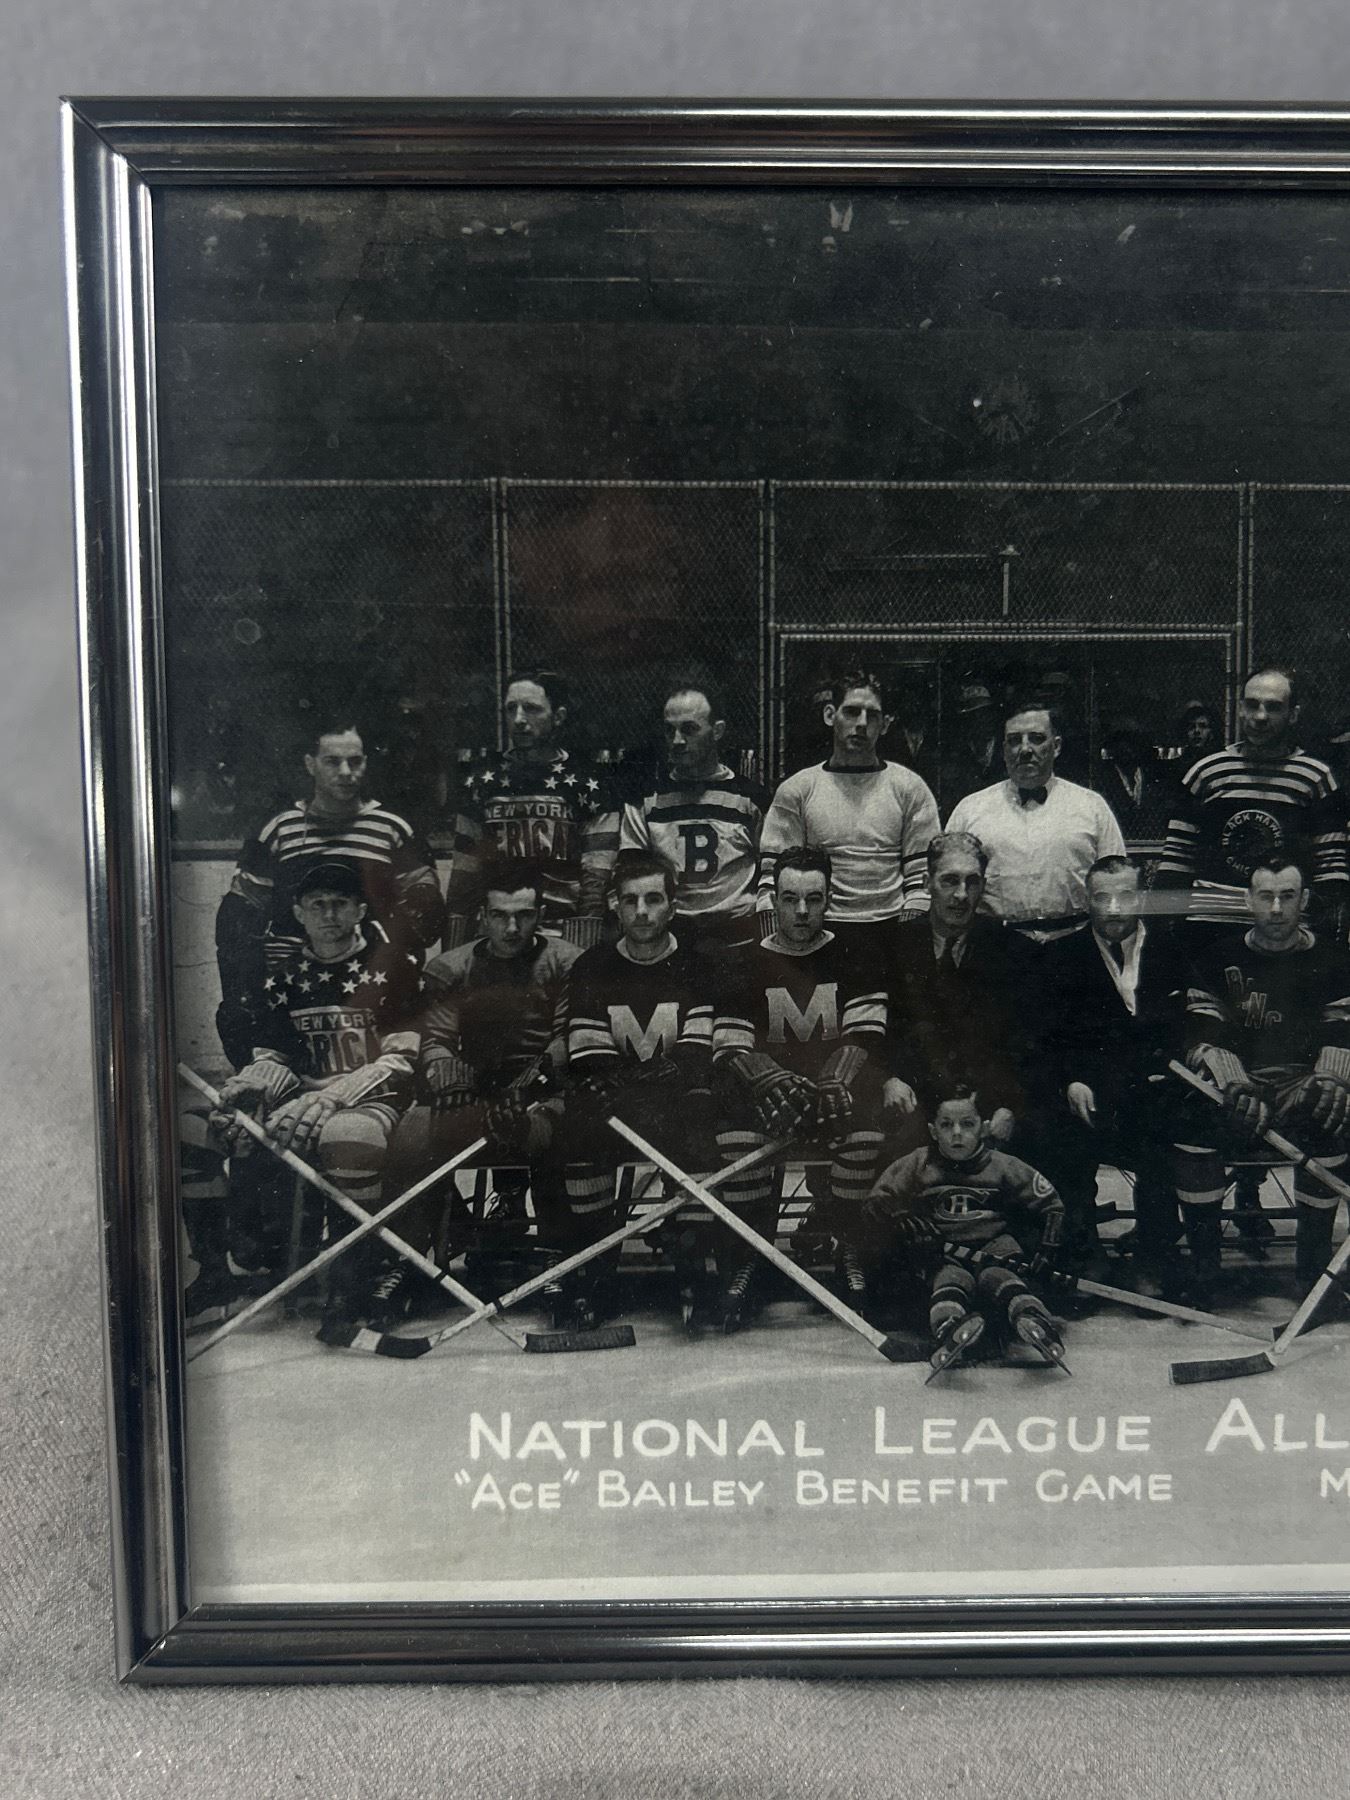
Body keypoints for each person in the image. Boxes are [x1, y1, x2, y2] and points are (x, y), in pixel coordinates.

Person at [186, 860, 423, 1331]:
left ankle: (352, 1277)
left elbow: (400, 1058)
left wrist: (334, 1097)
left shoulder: (394, 969)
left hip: (373, 1097)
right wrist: (247, 1089)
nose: (329, 915)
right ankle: (214, 1276)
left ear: (360, 910)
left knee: (348, 1135)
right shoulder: (283, 977)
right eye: (317, 905)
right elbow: (275, 1056)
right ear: (298, 913)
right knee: (192, 1130)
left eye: (340, 904)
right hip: (300, 1099)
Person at [364, 861, 582, 1329]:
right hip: (475, 1089)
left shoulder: (567, 962)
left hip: (540, 1090)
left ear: (541, 915)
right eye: (499, 915)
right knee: (413, 1133)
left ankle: (558, 1264)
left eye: (524, 915)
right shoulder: (451, 967)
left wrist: (530, 1087)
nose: (511, 928)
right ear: (482, 915)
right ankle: (407, 1262)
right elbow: (437, 1039)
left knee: (561, 1131)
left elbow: (567, 1035)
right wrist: (449, 1079)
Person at [710, 847, 888, 1330]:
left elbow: (867, 1035)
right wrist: (765, 1077)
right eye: (790, 899)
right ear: (774, 899)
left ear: (830, 898)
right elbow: (730, 1044)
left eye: (814, 898)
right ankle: (752, 1252)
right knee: (735, 1138)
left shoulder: (857, 955)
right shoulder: (742, 960)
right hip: (771, 1101)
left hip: (833, 1097)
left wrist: (833, 1081)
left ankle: (846, 1245)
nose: (802, 911)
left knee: (865, 1134)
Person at [1171, 856, 1350, 1307]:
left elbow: (1342, 1026)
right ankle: (1205, 1268)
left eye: (1287, 896)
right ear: (1248, 900)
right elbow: (1201, 1028)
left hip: (1302, 1083)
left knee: (1332, 1114)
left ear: (1303, 900)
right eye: (1266, 896)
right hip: (1237, 1084)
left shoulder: (1334, 957)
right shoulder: (1216, 956)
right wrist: (1231, 1079)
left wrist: (1332, 1075)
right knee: (1191, 1119)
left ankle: (1314, 1272)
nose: (1276, 908)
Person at [215, 720, 444, 1068]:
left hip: (371, 979)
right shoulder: (280, 829)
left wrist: (394, 963)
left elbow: (426, 918)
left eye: (355, 761)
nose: (346, 772)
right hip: (296, 982)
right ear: (310, 764)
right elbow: (239, 916)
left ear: (366, 762)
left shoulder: (392, 828)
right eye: (332, 762)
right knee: (239, 1014)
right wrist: (256, 978)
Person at [550, 850, 716, 1329]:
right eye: (630, 901)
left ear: (673, 906)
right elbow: (588, 1055)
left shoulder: (698, 964)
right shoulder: (592, 966)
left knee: (701, 1117)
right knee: (580, 1124)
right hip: (619, 1105)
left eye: (653, 899)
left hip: (672, 1105)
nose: (642, 911)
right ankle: (597, 1268)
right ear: (614, 906)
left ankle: (693, 1264)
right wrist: (627, 1084)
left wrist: (639, 1084)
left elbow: (695, 1053)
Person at [1037, 855, 1190, 1292]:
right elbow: (1046, 1037)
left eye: (1125, 895)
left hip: (1154, 1089)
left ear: (1141, 897)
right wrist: (1070, 1080)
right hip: (1091, 1091)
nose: (1114, 907)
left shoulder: (1170, 950)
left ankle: (1154, 1254)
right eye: (1103, 897)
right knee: (1059, 1128)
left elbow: (1187, 1023)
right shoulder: (1060, 955)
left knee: (1165, 1129)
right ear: (1086, 900)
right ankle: (1084, 1247)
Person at [854, 1084, 1067, 1376]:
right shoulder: (918, 1162)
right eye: (946, 1125)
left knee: (1000, 1277)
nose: (956, 1133)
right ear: (933, 1131)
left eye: (967, 1124)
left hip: (996, 1247)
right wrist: (899, 1216)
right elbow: (877, 1200)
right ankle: (950, 1327)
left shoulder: (1003, 1165)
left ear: (984, 1128)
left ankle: (1032, 1319)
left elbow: (1051, 1204)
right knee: (950, 1279)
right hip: (944, 1250)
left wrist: (1049, 1245)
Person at [1155, 668, 1349, 935]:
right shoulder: (1207, 773)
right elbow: (1176, 861)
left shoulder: (1316, 778)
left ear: (1293, 714)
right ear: (1240, 710)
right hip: (1212, 929)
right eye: (1252, 705)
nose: (1260, 716)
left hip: (1284, 933)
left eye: (1273, 707)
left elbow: (1331, 872)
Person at [757, 671, 940, 952]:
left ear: (885, 724)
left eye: (873, 715)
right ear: (830, 715)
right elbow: (773, 881)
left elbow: (922, 879)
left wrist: (908, 940)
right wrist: (779, 954)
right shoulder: (798, 789)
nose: (862, 724)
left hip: (892, 928)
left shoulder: (910, 787)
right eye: (852, 712)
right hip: (818, 931)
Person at [883, 832, 1035, 1151]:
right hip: (916, 1105)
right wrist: (890, 1079)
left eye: (972, 882)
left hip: (989, 1106)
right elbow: (886, 1034)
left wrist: (1008, 1105)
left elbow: (1023, 1043)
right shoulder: (894, 946)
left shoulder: (1012, 951)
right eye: (950, 881)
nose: (961, 895)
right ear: (927, 883)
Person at [446, 669, 619, 948]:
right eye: (510, 709)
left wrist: (583, 953)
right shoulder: (481, 782)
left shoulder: (588, 783)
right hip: (498, 935)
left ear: (558, 716)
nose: (518, 719)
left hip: (563, 934)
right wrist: (454, 953)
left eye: (531, 709)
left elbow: (596, 880)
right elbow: (464, 877)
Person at [945, 699, 1126, 943]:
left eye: (1037, 739)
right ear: (1004, 749)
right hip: (996, 946)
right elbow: (947, 883)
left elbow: (1116, 884)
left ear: (1056, 746)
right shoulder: (970, 810)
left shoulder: (1092, 807)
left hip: (1074, 945)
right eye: (1014, 740)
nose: (1025, 749)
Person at [618, 677, 767, 949]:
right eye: (669, 730)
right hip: (669, 939)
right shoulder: (645, 801)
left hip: (739, 937)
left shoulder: (751, 798)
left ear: (717, 731)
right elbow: (632, 875)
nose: (677, 741)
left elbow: (771, 873)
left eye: (689, 729)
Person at [939, 682, 1001, 807]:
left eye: (985, 713)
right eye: (975, 715)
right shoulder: (956, 751)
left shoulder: (1006, 746)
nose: (982, 720)